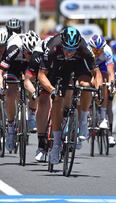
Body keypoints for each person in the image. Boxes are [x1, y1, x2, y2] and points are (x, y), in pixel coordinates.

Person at [38, 26, 101, 165]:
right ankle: (55, 145)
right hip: (58, 67)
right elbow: (41, 75)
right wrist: (51, 89)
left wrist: (98, 88)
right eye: (67, 48)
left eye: (72, 50)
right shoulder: (53, 47)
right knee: (57, 100)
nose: (69, 52)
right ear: (62, 44)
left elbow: (97, 73)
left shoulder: (84, 48)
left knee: (86, 86)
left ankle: (83, 120)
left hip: (78, 66)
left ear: (78, 46)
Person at [0, 30, 40, 152]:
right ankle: (10, 127)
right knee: (10, 93)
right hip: (14, 65)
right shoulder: (14, 49)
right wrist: (1, 87)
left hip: (28, 67)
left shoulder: (38, 51)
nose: (30, 55)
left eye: (32, 53)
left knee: (34, 86)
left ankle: (31, 115)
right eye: (28, 53)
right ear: (23, 48)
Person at [87, 34, 116, 146]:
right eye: (95, 50)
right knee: (88, 82)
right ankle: (89, 109)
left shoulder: (108, 51)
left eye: (100, 50)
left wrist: (111, 83)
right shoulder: (87, 50)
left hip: (103, 66)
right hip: (90, 65)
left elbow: (111, 71)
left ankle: (103, 116)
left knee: (104, 84)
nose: (98, 52)